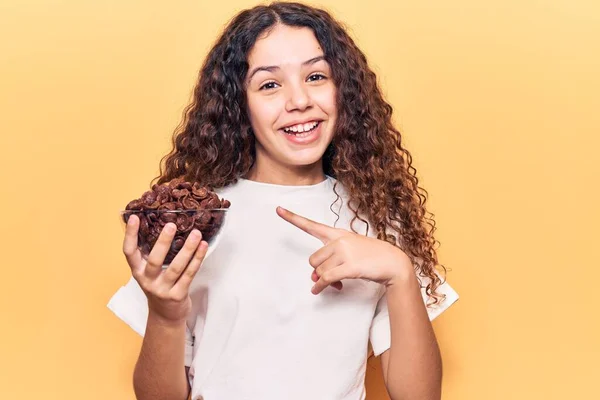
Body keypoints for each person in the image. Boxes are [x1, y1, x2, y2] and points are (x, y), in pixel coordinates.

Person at [108, 2, 459, 399]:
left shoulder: (374, 215)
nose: (299, 100)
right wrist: (165, 315)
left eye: (315, 76)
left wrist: (400, 271)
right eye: (269, 84)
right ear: (240, 104)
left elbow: (420, 396)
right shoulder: (198, 221)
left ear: (342, 88)